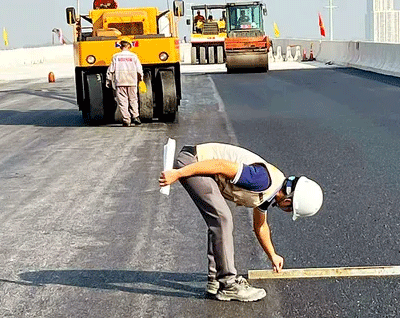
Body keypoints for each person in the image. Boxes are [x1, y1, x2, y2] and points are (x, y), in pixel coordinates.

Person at [158, 143, 324, 302]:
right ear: (288, 200)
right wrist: (178, 173)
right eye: (289, 209)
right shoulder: (262, 180)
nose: (286, 211)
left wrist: (272, 255)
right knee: (222, 219)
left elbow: (260, 226)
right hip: (193, 161)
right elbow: (220, 165)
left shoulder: (271, 192)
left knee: (220, 218)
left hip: (198, 164)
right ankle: (228, 285)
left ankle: (215, 280)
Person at [106, 41, 143, 126]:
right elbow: (139, 69)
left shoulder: (116, 56)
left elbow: (110, 70)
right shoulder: (134, 56)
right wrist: (141, 79)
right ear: (129, 46)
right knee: (133, 100)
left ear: (120, 47)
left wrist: (108, 81)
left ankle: (126, 120)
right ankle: (136, 117)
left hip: (120, 81)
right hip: (132, 81)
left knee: (123, 101)